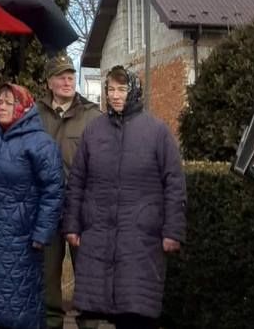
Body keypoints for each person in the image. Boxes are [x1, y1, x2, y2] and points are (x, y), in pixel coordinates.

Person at [62, 66, 186, 329]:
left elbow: (174, 183)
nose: (115, 95)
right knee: (101, 309)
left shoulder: (157, 132)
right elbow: (77, 181)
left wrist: (172, 231)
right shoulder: (93, 132)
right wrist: (72, 225)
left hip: (142, 238)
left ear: (134, 91)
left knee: (136, 311)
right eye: (111, 89)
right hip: (99, 236)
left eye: (122, 89)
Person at [0, 83, 64, 329]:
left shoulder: (41, 144)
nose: (2, 107)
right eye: (0, 102)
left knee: (18, 308)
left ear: (24, 107)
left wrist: (42, 232)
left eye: (9, 102)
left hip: (22, 241)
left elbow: (53, 191)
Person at [35, 52, 100, 329]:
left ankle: (90, 323)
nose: (67, 81)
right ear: (49, 82)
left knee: (87, 276)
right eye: (60, 76)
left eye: (71, 76)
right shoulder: (33, 114)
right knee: (47, 278)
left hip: (82, 209)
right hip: (45, 207)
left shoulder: (93, 115)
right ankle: (52, 322)